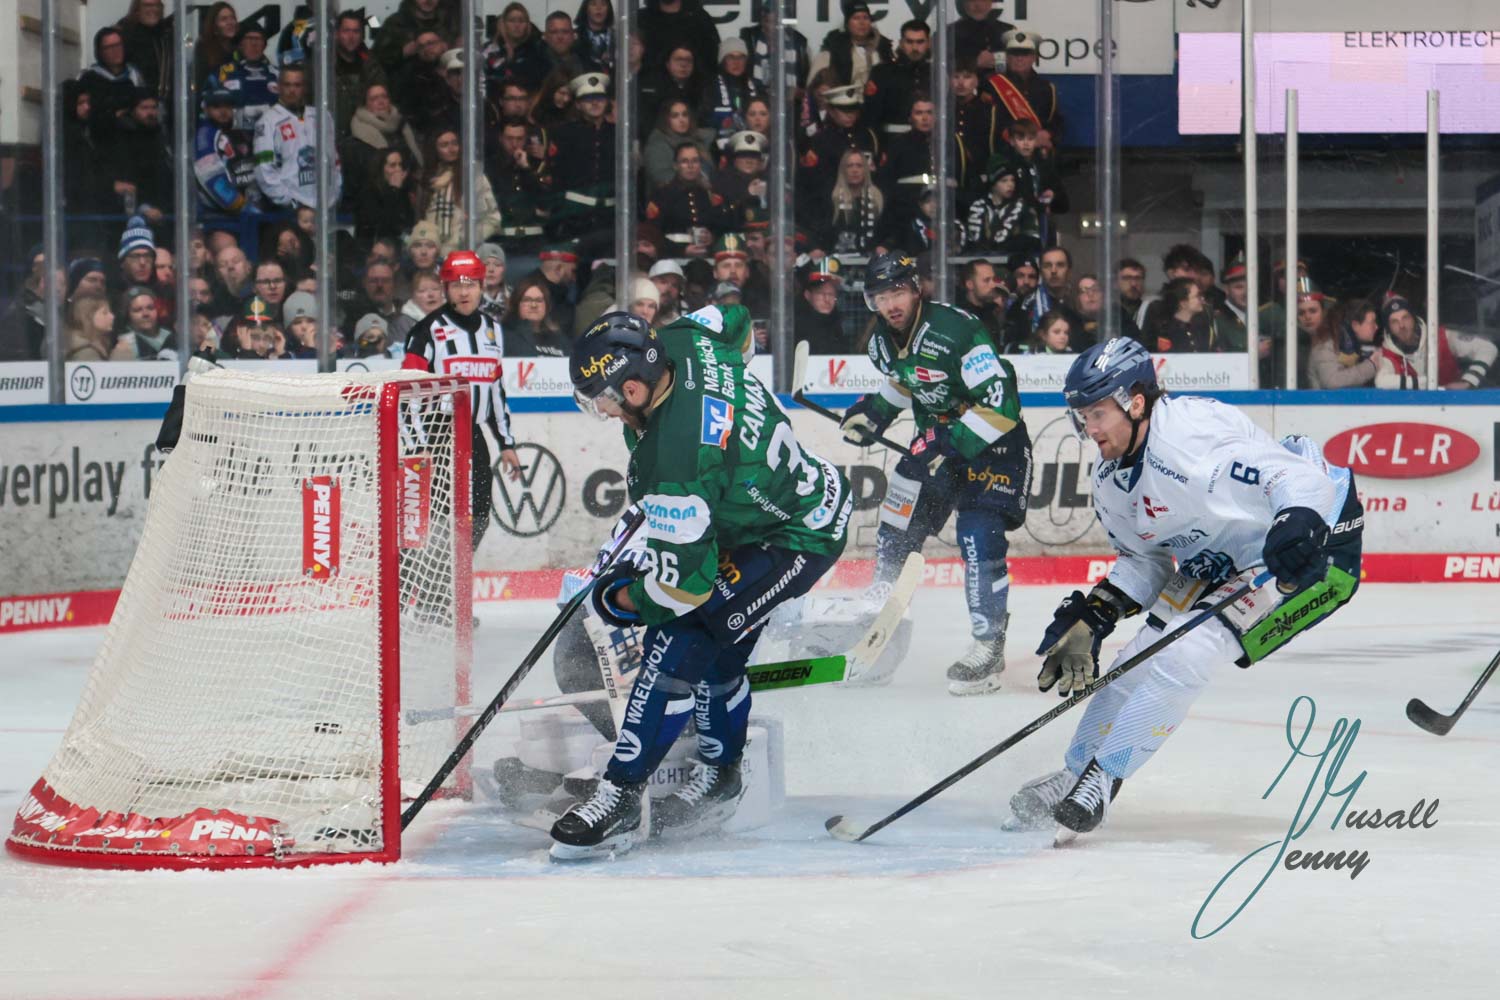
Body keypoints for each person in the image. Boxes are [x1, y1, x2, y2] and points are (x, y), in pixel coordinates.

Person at [1008, 337, 1365, 837]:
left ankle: (1103, 780)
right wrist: (1095, 614)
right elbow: (1144, 560)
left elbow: (1300, 479)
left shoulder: (1190, 442)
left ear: (1135, 402)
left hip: (1313, 546)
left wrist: (1297, 521)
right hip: (1221, 551)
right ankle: (1074, 773)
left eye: (1097, 413)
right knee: (1135, 661)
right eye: (1083, 416)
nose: (1089, 428)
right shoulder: (1111, 478)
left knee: (1188, 653)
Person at [552, 307, 852, 859]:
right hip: (767, 507)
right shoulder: (685, 336)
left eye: (603, 399)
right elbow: (736, 317)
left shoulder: (677, 460)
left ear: (634, 389)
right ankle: (720, 775)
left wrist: (618, 599)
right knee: (720, 647)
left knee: (681, 638)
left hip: (796, 536)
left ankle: (621, 796)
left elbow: (682, 592)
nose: (603, 410)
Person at [839, 252, 1032, 695]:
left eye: (898, 292)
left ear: (916, 289)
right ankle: (879, 634)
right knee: (896, 526)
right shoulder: (881, 342)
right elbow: (905, 379)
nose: (891, 304)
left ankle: (988, 645)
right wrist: (874, 412)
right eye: (880, 297)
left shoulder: (957, 331)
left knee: (978, 534)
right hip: (936, 444)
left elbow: (1002, 405)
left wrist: (949, 442)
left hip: (994, 447)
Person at [401, 251, 522, 554]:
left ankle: (457, 573)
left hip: (472, 433)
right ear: (446, 288)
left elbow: (494, 389)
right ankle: (435, 579)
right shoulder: (426, 330)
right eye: (456, 285)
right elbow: (406, 392)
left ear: (482, 286)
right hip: (436, 434)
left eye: (470, 284)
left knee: (479, 512)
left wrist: (506, 443)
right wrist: (418, 446)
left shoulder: (492, 330)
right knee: (437, 518)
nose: (464, 292)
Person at [254, 65, 341, 210]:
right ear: (279, 87)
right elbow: (263, 171)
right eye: (287, 85)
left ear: (304, 87)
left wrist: (335, 193)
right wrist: (290, 202)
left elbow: (334, 160)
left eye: (297, 85)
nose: (292, 90)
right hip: (292, 210)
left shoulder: (322, 116)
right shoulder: (268, 121)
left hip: (326, 206)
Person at [1372, 294, 1497, 390]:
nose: (1402, 325)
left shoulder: (1441, 336)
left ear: (1414, 318)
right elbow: (1381, 381)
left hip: (1453, 407)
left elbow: (1487, 348)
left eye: (1405, 318)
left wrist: (1468, 381)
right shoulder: (1386, 353)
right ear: (1388, 328)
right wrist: (1429, 383)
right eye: (1394, 322)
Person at [419, 129, 502, 255]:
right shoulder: (426, 178)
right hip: (429, 253)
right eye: (444, 145)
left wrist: (464, 240)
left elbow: (493, 219)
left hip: (462, 251)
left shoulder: (473, 176)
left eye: (455, 143)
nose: (452, 149)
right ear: (434, 149)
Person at [1307, 298, 1380, 390]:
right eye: (1372, 322)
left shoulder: (1351, 346)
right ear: (1355, 325)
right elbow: (1332, 381)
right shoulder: (1325, 345)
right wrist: (1371, 365)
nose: (1376, 327)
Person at [505, 275, 572, 356]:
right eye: (527, 300)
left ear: (547, 306)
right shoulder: (505, 338)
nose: (534, 305)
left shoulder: (560, 340)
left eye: (539, 300)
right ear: (517, 304)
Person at [794, 257, 847, 354]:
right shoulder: (795, 327)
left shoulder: (837, 325)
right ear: (808, 295)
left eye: (831, 294)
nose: (827, 299)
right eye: (821, 293)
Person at [111, 286, 175, 360]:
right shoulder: (125, 345)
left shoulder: (170, 336)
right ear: (128, 315)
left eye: (150, 308)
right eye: (137, 310)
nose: (145, 313)